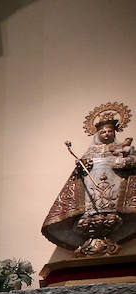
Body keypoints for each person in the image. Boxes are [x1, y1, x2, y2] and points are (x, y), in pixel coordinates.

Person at [42, 102, 136, 257]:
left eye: (109, 131)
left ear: (115, 132)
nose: (106, 134)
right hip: (92, 192)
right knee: (91, 211)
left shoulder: (122, 149)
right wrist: (81, 165)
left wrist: (123, 162)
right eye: (103, 132)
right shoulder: (91, 151)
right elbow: (81, 171)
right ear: (97, 134)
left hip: (114, 189)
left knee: (111, 213)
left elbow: (132, 162)